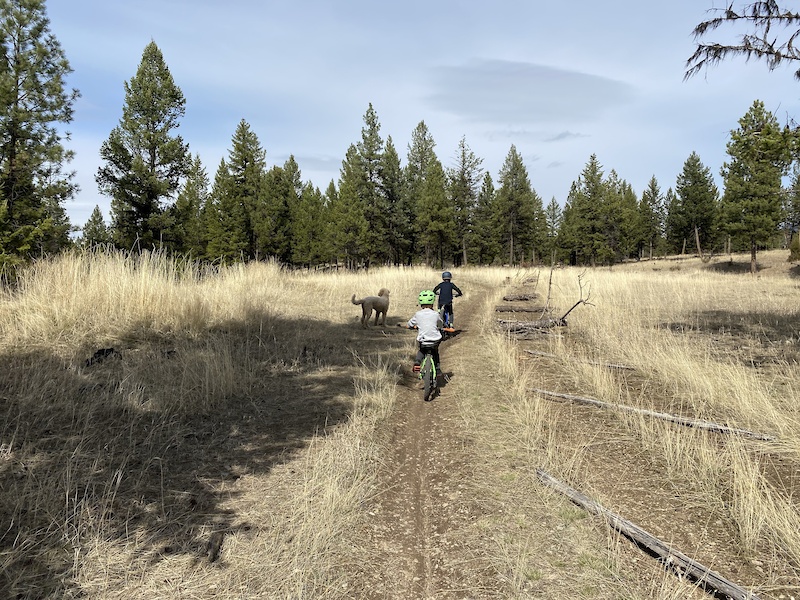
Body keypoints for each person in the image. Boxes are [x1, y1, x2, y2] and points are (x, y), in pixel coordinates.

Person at [400, 289, 443, 374]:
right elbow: (440, 324)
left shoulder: (418, 314)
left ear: (420, 303)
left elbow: (409, 324)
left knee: (422, 350)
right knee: (435, 352)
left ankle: (417, 362)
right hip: (434, 340)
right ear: (432, 302)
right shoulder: (436, 314)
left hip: (423, 340)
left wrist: (409, 326)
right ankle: (437, 368)